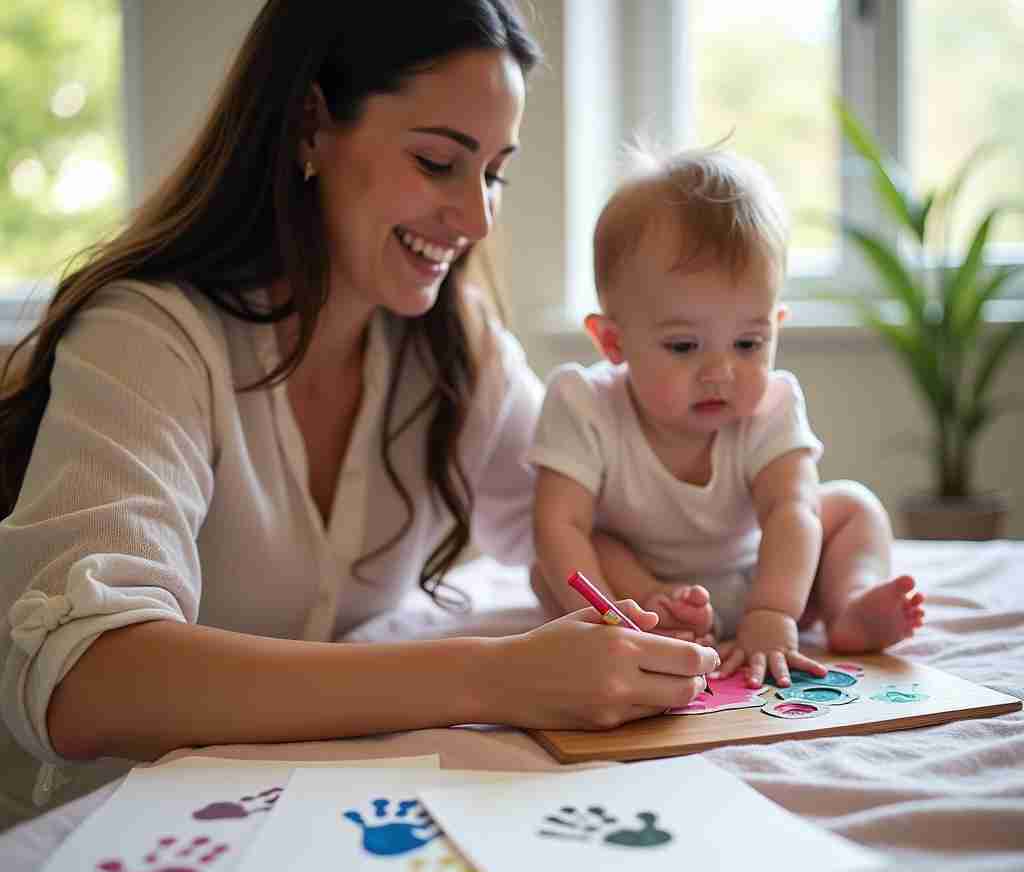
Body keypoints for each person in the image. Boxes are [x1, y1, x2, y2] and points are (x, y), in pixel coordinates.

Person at [0, 1, 718, 829]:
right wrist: (488, 677)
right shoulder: (149, 335)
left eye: (493, 173)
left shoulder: (455, 353)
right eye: (439, 161)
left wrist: (687, 596)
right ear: (310, 125)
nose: (478, 219)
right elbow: (84, 679)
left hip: (297, 827)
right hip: (99, 842)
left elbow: (576, 523)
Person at [528, 145, 924, 689]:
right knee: (565, 560)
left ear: (775, 327)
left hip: (764, 574)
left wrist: (772, 614)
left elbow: (790, 511)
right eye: (685, 345)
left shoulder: (773, 405)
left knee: (850, 506)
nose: (722, 372)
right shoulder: (583, 404)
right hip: (643, 587)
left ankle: (848, 604)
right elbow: (558, 523)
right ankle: (648, 622)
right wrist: (613, 615)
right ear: (614, 342)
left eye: (747, 342)